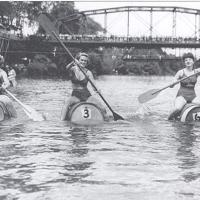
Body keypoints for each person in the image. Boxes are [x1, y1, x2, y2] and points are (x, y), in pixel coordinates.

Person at [61, 52, 107, 120]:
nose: (83, 62)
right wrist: (72, 62)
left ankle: (107, 120)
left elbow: (93, 85)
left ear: (87, 62)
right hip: (76, 96)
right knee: (67, 102)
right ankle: (62, 121)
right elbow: (67, 68)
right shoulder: (73, 69)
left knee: (102, 107)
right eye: (81, 60)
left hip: (86, 95)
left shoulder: (88, 72)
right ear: (78, 60)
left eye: (85, 61)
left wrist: (97, 89)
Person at [168, 52, 200, 120]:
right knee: (177, 109)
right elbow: (173, 83)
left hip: (193, 96)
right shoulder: (180, 72)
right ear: (184, 62)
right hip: (182, 96)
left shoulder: (196, 72)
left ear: (193, 61)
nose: (188, 61)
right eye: (186, 60)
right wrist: (173, 83)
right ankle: (168, 119)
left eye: (190, 59)